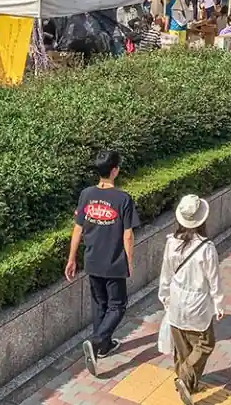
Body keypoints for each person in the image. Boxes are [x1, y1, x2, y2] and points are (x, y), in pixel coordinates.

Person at [66, 150, 140, 376]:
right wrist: (129, 261)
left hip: (92, 260)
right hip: (113, 262)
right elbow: (128, 235)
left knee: (100, 304)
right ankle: (97, 342)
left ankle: (104, 347)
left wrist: (71, 259)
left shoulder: (86, 194)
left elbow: (78, 229)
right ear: (115, 170)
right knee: (117, 305)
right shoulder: (123, 199)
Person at [158, 195, 224, 405]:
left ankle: (188, 384)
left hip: (176, 302)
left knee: (182, 347)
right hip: (198, 306)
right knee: (205, 344)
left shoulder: (171, 242)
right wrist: (219, 303)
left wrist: (164, 297)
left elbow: (166, 274)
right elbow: (214, 279)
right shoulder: (206, 248)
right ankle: (185, 378)